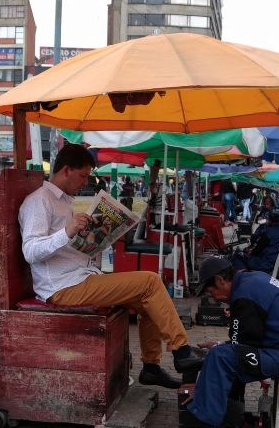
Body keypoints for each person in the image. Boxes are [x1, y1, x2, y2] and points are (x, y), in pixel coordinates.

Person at [18, 143, 203, 390]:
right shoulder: (39, 201)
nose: (85, 182)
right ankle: (182, 352)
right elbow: (30, 251)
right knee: (149, 281)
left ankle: (151, 366)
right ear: (65, 170)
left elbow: (64, 246)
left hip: (80, 276)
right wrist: (68, 231)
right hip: (62, 287)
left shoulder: (64, 201)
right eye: (83, 175)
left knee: (149, 300)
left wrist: (94, 237)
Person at [179, 257, 279, 427]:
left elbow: (239, 349)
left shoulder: (243, 297)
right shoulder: (250, 281)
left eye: (211, 293)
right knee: (223, 354)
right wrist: (221, 345)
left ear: (220, 280)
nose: (215, 299)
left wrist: (205, 390)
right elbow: (245, 342)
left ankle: (205, 421)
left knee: (220, 357)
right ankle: (230, 413)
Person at [230, 208, 279, 274]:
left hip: (265, 265)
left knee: (238, 254)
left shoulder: (267, 233)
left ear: (270, 219)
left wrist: (247, 250)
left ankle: (243, 276)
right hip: (276, 264)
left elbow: (255, 250)